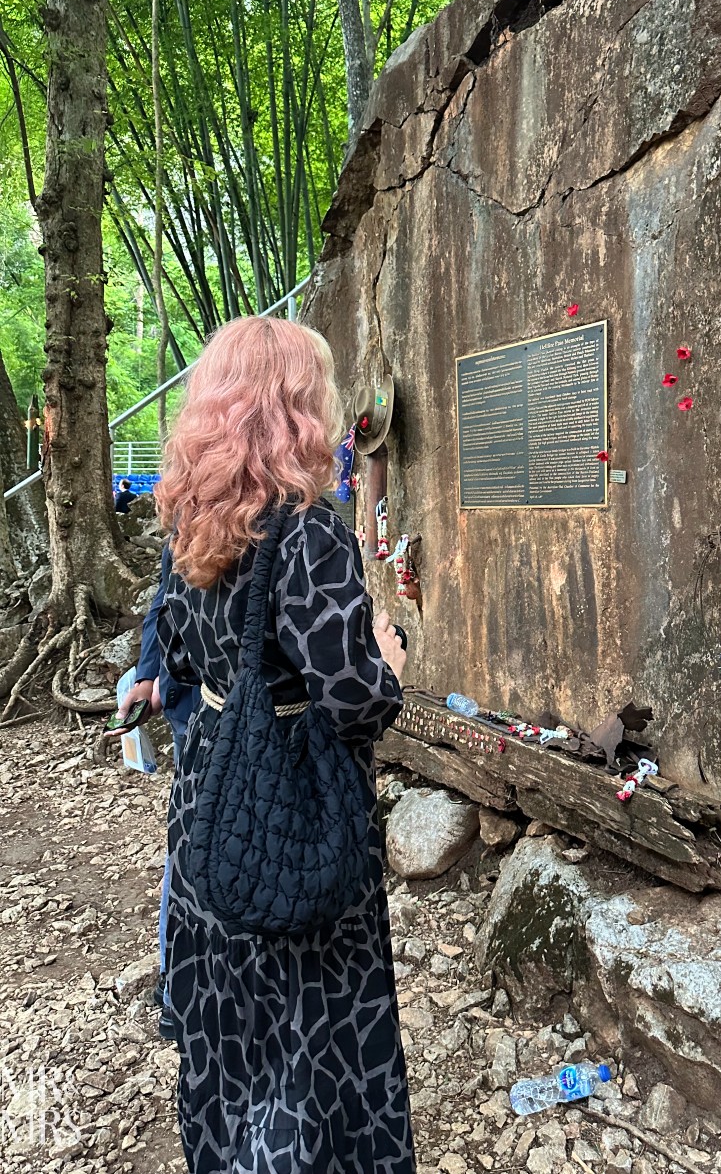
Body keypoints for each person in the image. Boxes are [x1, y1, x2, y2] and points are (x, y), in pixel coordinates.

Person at [154, 316, 414, 1174]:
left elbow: (184, 663)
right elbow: (353, 694)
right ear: (297, 406)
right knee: (311, 1045)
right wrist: (390, 656)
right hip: (291, 812)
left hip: (210, 803)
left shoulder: (190, 524)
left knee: (230, 1038)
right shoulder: (307, 531)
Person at [111, 546, 199, 1041]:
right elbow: (166, 600)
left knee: (193, 844)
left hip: (212, 708)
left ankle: (182, 985)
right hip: (203, 712)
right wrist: (148, 675)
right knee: (190, 845)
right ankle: (177, 985)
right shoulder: (190, 516)